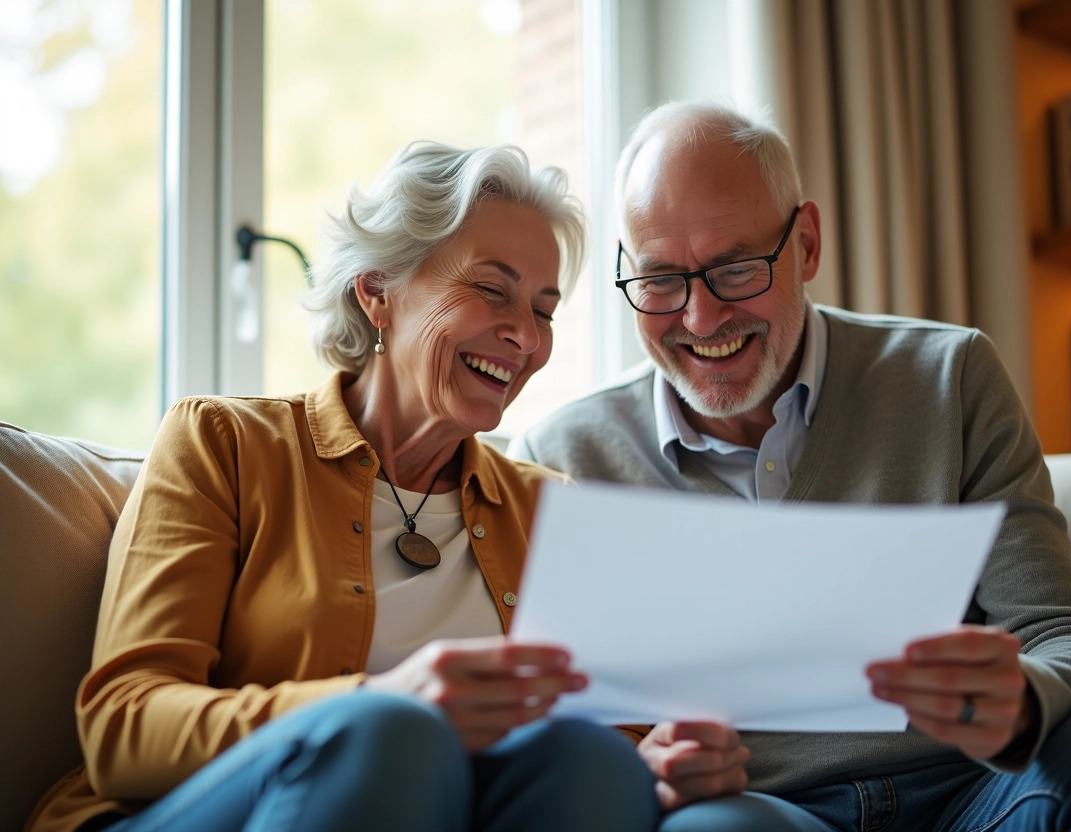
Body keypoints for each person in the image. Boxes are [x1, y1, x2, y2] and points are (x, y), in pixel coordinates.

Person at [508, 100, 1071, 830]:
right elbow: (548, 741)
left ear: (806, 245)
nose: (700, 318)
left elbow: (1070, 633)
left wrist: (1023, 702)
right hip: (759, 812)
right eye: (660, 280)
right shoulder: (562, 457)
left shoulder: (950, 376)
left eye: (737, 269)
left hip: (979, 799)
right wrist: (639, 766)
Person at [27, 142, 659, 832]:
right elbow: (126, 724)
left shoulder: (547, 507)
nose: (524, 337)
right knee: (391, 732)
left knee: (589, 758)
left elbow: (619, 738)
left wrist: (667, 760)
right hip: (202, 814)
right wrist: (375, 701)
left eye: (544, 309)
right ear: (377, 291)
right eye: (490, 288)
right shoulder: (224, 443)